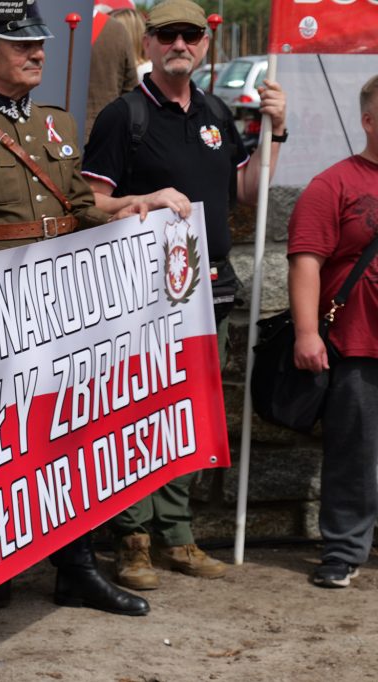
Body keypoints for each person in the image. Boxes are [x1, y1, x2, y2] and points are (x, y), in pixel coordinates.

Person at [0, 0, 150, 617]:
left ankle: (76, 566)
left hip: (61, 305)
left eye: (39, 44)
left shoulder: (59, 123)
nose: (37, 54)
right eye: (21, 45)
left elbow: (79, 207)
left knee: (71, 432)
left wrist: (135, 213)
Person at [82, 0, 287, 591]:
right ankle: (132, 539)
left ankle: (177, 533)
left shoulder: (216, 110)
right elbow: (89, 203)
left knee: (187, 414)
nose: (180, 44)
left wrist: (276, 130)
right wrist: (140, 201)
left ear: (204, 44)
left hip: (207, 291)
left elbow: (247, 192)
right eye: (168, 34)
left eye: (190, 36)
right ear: (148, 43)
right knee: (136, 415)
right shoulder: (125, 116)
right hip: (140, 297)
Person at [288, 75, 378, 589]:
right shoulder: (333, 184)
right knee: (354, 454)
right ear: (368, 121)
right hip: (357, 341)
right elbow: (306, 261)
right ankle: (344, 551)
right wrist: (307, 332)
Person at [85, 9, 138, 142]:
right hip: (104, 132)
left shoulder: (47, 23)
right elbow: (131, 89)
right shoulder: (117, 30)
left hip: (51, 131)